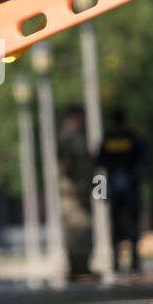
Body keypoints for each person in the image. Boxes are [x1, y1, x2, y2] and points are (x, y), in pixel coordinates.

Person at [97, 108, 146, 272]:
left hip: (112, 187)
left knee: (115, 225)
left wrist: (101, 192)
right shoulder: (133, 137)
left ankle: (116, 261)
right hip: (131, 187)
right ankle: (135, 260)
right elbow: (142, 163)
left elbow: (99, 167)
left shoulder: (107, 139)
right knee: (133, 224)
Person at [57, 105, 96, 281]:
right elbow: (67, 163)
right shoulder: (68, 137)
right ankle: (78, 268)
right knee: (78, 229)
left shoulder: (77, 137)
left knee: (81, 229)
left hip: (80, 191)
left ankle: (81, 267)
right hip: (72, 193)